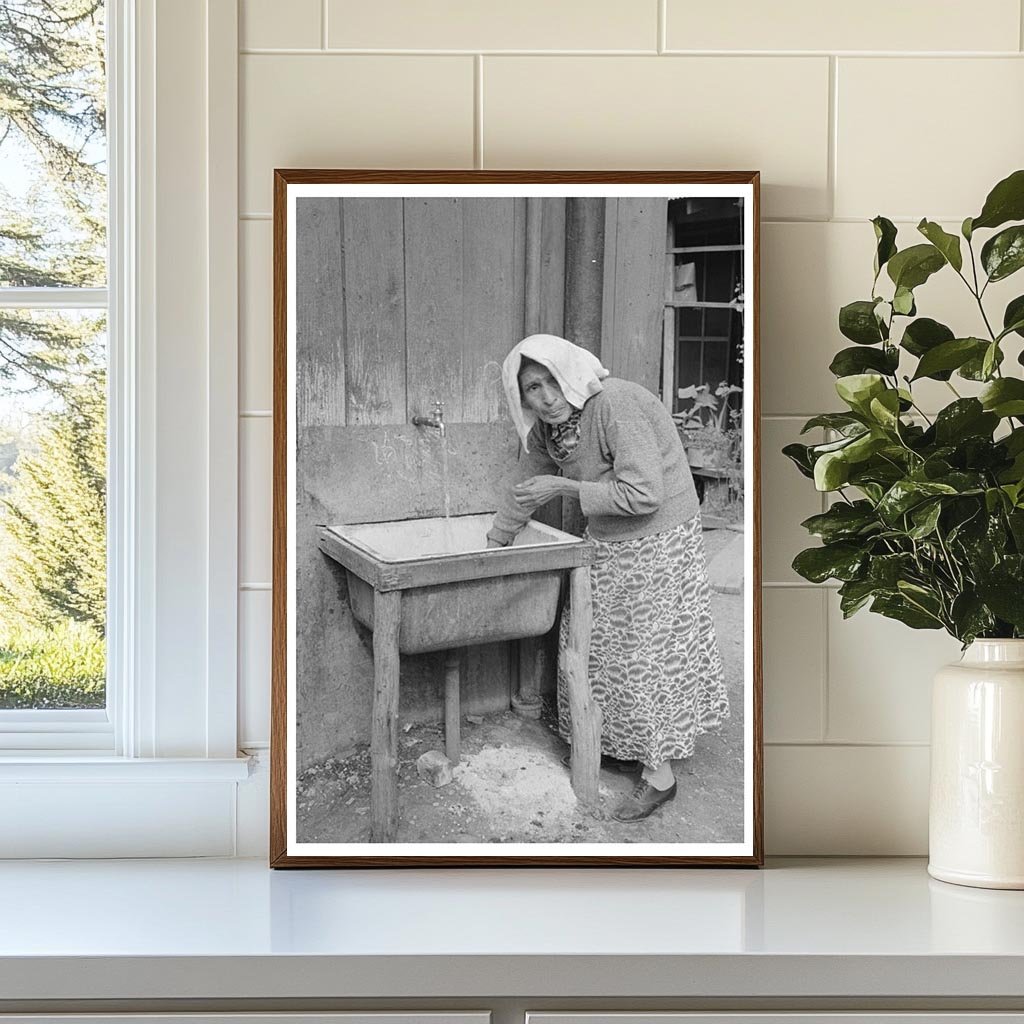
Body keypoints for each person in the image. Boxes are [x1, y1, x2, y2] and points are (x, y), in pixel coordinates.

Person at [486, 333, 729, 823]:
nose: (545, 397)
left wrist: (565, 487)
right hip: (610, 536)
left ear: (571, 374)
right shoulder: (549, 431)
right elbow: (524, 488)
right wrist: (494, 543)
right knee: (598, 646)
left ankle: (660, 775)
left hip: (660, 536)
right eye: (531, 388)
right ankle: (625, 742)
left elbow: (644, 494)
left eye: (551, 381)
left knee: (645, 653)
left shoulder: (615, 404)